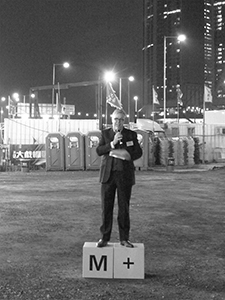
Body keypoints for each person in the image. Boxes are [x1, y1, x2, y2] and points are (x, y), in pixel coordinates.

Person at [96, 108, 142, 248]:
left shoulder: (131, 135)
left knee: (124, 208)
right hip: (108, 176)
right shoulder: (105, 134)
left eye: (121, 119)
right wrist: (112, 144)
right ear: (112, 120)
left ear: (124, 121)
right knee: (106, 207)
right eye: (116, 119)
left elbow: (138, 152)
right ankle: (104, 237)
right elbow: (99, 150)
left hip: (124, 176)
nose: (118, 122)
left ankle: (124, 238)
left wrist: (127, 154)